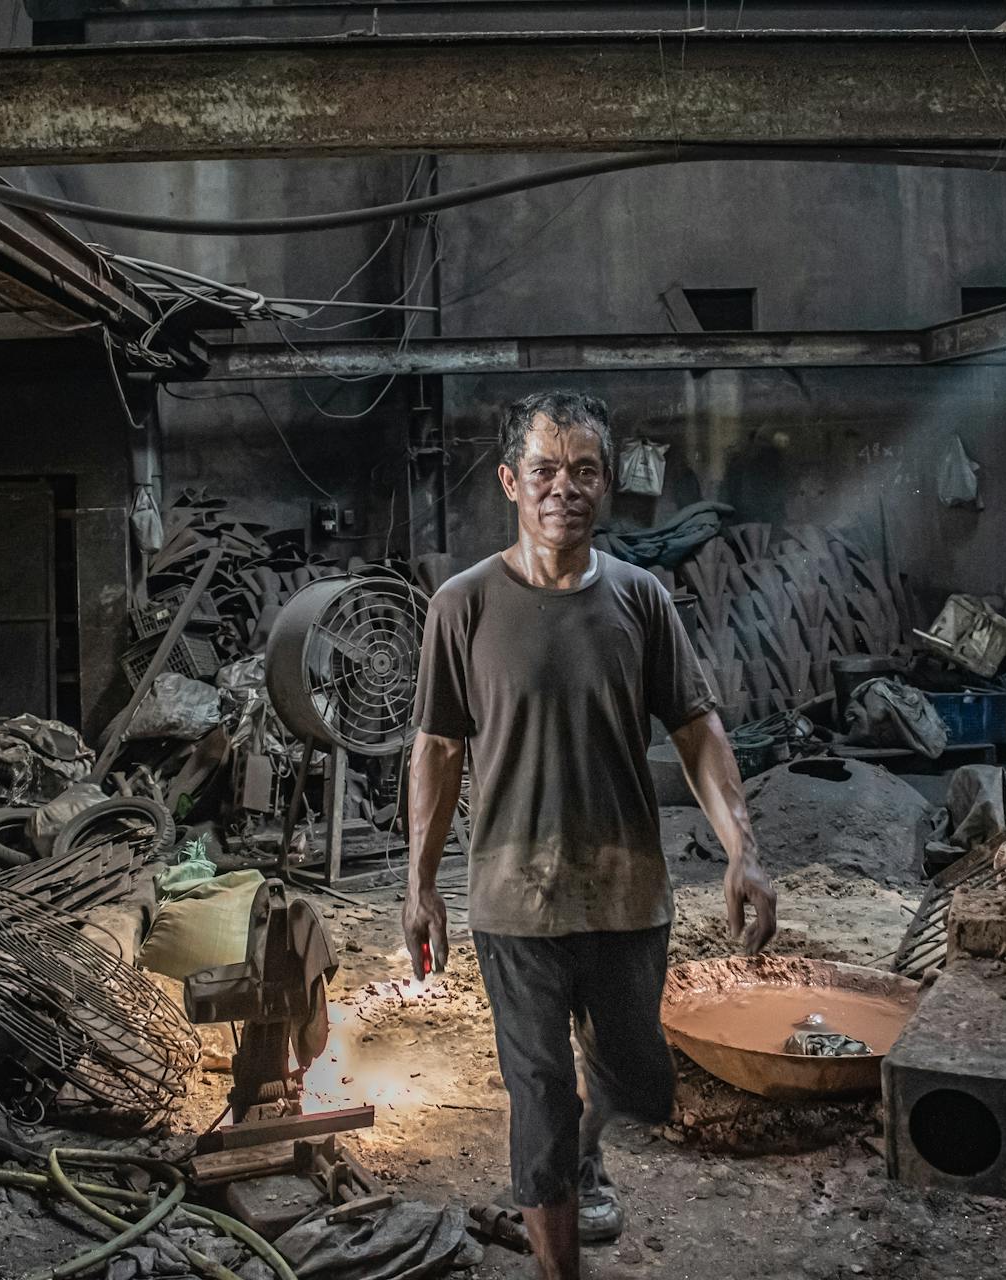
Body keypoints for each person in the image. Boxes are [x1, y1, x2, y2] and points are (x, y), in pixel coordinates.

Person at [404, 390, 777, 1280]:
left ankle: (580, 1145)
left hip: (626, 893)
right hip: (512, 900)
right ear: (509, 481)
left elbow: (697, 731)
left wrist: (744, 854)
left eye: (582, 471)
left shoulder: (642, 602)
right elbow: (437, 750)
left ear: (605, 484)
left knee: (636, 1076)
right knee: (537, 1095)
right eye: (543, 470)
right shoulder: (461, 606)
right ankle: (557, 1253)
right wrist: (419, 885)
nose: (562, 488)